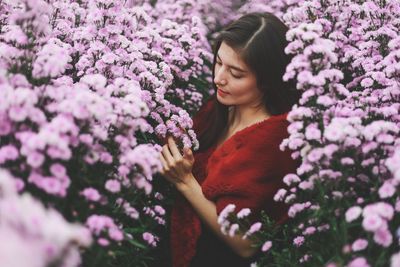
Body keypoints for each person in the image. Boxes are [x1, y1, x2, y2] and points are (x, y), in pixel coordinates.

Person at [159, 12, 300, 267]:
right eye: (219, 62)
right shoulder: (222, 106)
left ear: (267, 80)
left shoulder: (272, 140)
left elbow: (247, 244)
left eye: (236, 73)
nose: (218, 78)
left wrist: (184, 180)